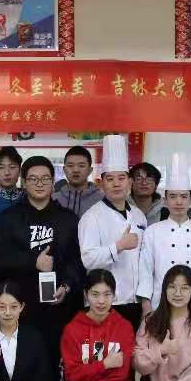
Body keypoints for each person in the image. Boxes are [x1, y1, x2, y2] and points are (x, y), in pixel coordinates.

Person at [0, 155, 84, 381]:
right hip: (20, 308)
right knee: (23, 361)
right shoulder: (8, 219)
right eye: (33, 179)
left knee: (54, 359)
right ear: (24, 182)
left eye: (45, 179)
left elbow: (76, 261)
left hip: (58, 306)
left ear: (53, 183)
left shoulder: (67, 219)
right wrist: (33, 262)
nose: (39, 184)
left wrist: (67, 285)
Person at [78, 135, 148, 331]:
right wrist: (118, 246)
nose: (116, 184)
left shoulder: (138, 216)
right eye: (110, 179)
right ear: (101, 184)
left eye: (121, 178)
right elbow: (88, 259)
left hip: (135, 302)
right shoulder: (91, 217)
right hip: (104, 305)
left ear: (129, 182)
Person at [137, 155, 191, 321]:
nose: (178, 202)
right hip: (159, 306)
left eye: (183, 196)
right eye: (173, 196)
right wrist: (146, 307)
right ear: (165, 200)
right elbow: (145, 273)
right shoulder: (152, 232)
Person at [53, 146, 103, 218]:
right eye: (70, 166)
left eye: (81, 166)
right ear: (64, 170)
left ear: (90, 170)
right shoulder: (53, 200)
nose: (75, 170)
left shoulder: (102, 200)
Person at [129, 161, 164, 225]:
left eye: (149, 179)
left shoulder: (166, 212)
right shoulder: (122, 208)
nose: (144, 183)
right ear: (130, 183)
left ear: (156, 184)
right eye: (139, 179)